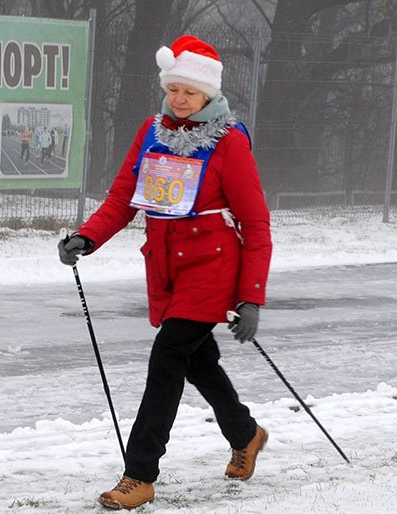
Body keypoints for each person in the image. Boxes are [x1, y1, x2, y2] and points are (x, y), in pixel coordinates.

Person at [59, 35, 272, 511]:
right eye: (173, 89)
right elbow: (122, 196)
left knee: (167, 359)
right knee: (197, 360)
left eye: (189, 92)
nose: (179, 99)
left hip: (214, 266)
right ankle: (246, 433)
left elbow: (256, 223)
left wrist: (251, 296)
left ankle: (139, 474)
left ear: (209, 95)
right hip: (166, 266)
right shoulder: (151, 131)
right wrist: (87, 237)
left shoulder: (229, 142)